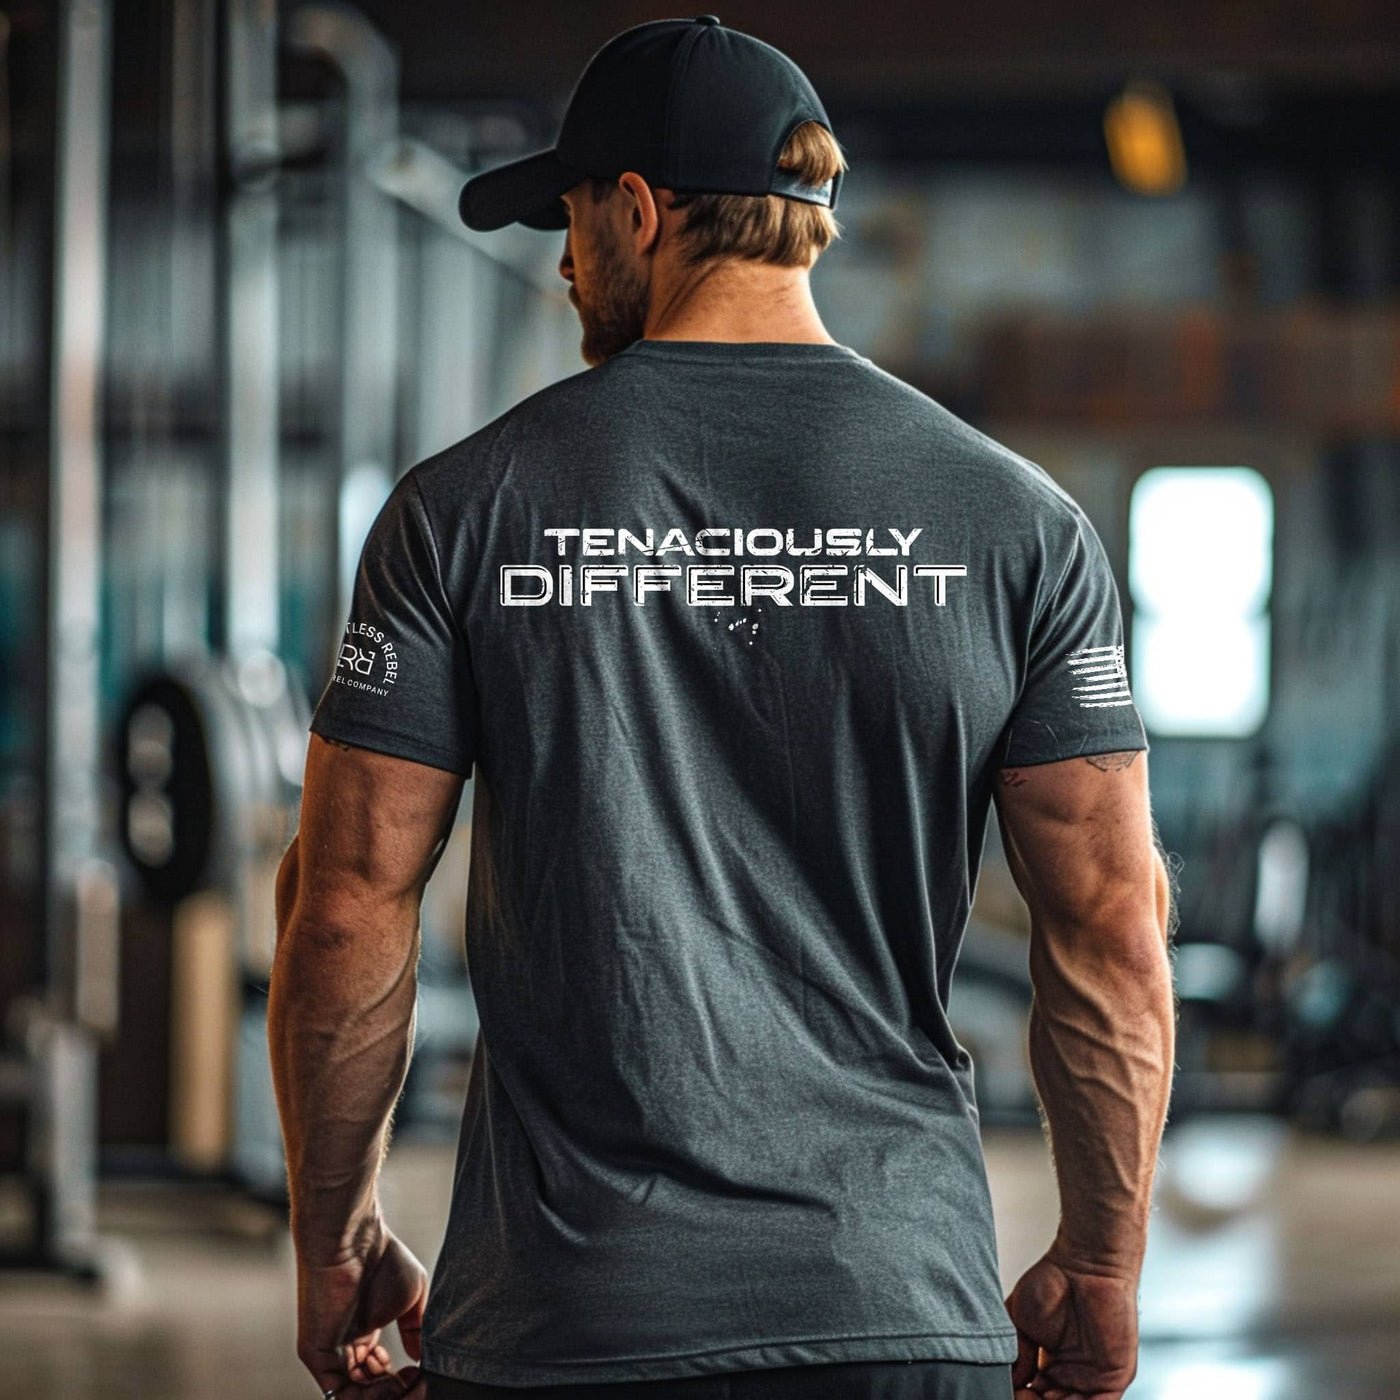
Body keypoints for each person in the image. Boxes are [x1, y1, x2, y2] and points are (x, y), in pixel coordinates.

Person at [268, 15, 1177, 1400]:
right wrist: (1104, 1264)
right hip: (892, 1312)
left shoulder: (462, 510)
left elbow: (343, 908)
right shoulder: (1020, 527)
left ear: (638, 209)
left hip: (569, 1327)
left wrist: (335, 1239)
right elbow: (1113, 924)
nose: (567, 266)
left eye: (571, 222)